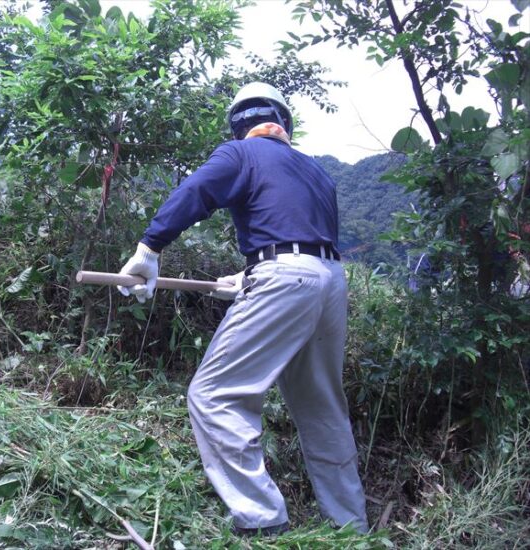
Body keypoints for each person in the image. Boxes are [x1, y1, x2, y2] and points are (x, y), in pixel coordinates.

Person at [117, 82, 368, 535]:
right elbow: (298, 240)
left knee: (214, 395)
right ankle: (351, 528)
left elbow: (197, 191)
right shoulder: (316, 172)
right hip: (330, 281)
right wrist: (248, 276)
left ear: (239, 126)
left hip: (285, 278)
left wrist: (149, 248)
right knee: (322, 408)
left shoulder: (240, 153)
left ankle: (262, 520)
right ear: (283, 123)